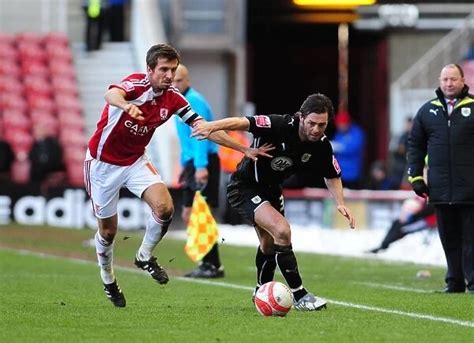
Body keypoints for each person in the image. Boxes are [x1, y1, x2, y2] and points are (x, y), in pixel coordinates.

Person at [84, 43, 272, 307]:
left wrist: (242, 148)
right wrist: (126, 107)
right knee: (108, 231)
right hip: (103, 165)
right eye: (163, 69)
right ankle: (108, 278)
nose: (169, 75)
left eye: (172, 70)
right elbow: (112, 95)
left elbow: (205, 129)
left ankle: (144, 256)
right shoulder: (135, 85)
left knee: (164, 209)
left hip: (135, 162)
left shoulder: (174, 98)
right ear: (149, 70)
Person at [192, 93, 356, 311]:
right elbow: (242, 122)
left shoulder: (322, 146)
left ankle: (261, 290)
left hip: (272, 191)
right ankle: (300, 295)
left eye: (322, 125)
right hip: (244, 187)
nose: (316, 129)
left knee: (269, 244)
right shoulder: (278, 124)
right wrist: (210, 126)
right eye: (312, 123)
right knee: (282, 230)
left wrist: (340, 202)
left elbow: (332, 174)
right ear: (301, 117)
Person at [407, 63, 474, 294]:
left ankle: (473, 282)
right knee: (449, 238)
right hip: (440, 189)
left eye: (453, 79)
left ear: (463, 80)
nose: (449, 83)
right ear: (439, 80)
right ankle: (454, 282)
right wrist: (415, 177)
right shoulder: (427, 111)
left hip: (470, 189)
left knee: (471, 240)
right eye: (445, 79)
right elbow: (415, 146)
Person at [172, 64, 224, 278]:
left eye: (179, 80)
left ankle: (212, 264)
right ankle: (209, 262)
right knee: (189, 213)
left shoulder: (194, 100)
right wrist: (185, 165)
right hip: (193, 162)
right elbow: (186, 140)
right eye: (172, 80)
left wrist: (200, 166)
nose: (174, 84)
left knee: (198, 212)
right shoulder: (179, 102)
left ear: (188, 80)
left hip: (204, 161)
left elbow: (201, 134)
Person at [367, 196, 436, 253]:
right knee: (397, 223)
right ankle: (384, 245)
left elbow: (428, 220)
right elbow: (413, 206)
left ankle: (384, 245)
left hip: (428, 221)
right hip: (420, 217)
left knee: (403, 229)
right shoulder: (422, 198)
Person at [330, 111, 365, 189]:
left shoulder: (357, 133)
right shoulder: (339, 134)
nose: (340, 127)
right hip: (339, 172)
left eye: (342, 125)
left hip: (353, 173)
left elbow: (353, 149)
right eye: (338, 125)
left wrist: (338, 147)